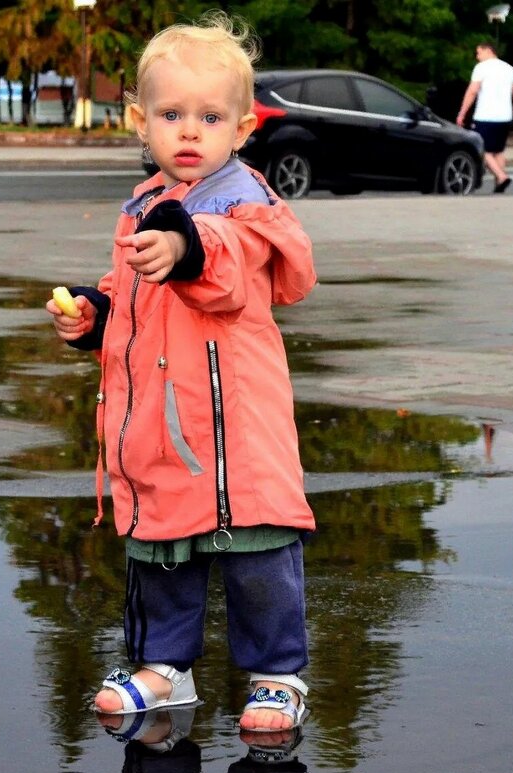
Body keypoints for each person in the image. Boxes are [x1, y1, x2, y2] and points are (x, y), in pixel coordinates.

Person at [46, 11, 317, 733]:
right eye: (171, 114)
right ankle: (162, 667)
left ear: (242, 128)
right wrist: (95, 315)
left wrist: (185, 246)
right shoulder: (140, 205)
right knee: (161, 552)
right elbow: (133, 302)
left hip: (236, 431)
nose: (189, 132)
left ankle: (277, 673)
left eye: (209, 116)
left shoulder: (245, 205)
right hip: (161, 424)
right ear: (140, 122)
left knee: (255, 552)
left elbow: (227, 268)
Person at [455, 42, 513, 193]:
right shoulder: (509, 69)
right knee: (498, 150)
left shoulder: (481, 68)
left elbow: (472, 92)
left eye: (478, 53)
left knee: (483, 150)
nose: (477, 57)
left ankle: (501, 176)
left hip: (485, 116)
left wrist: (462, 113)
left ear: (488, 51)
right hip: (505, 117)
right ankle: (498, 185)